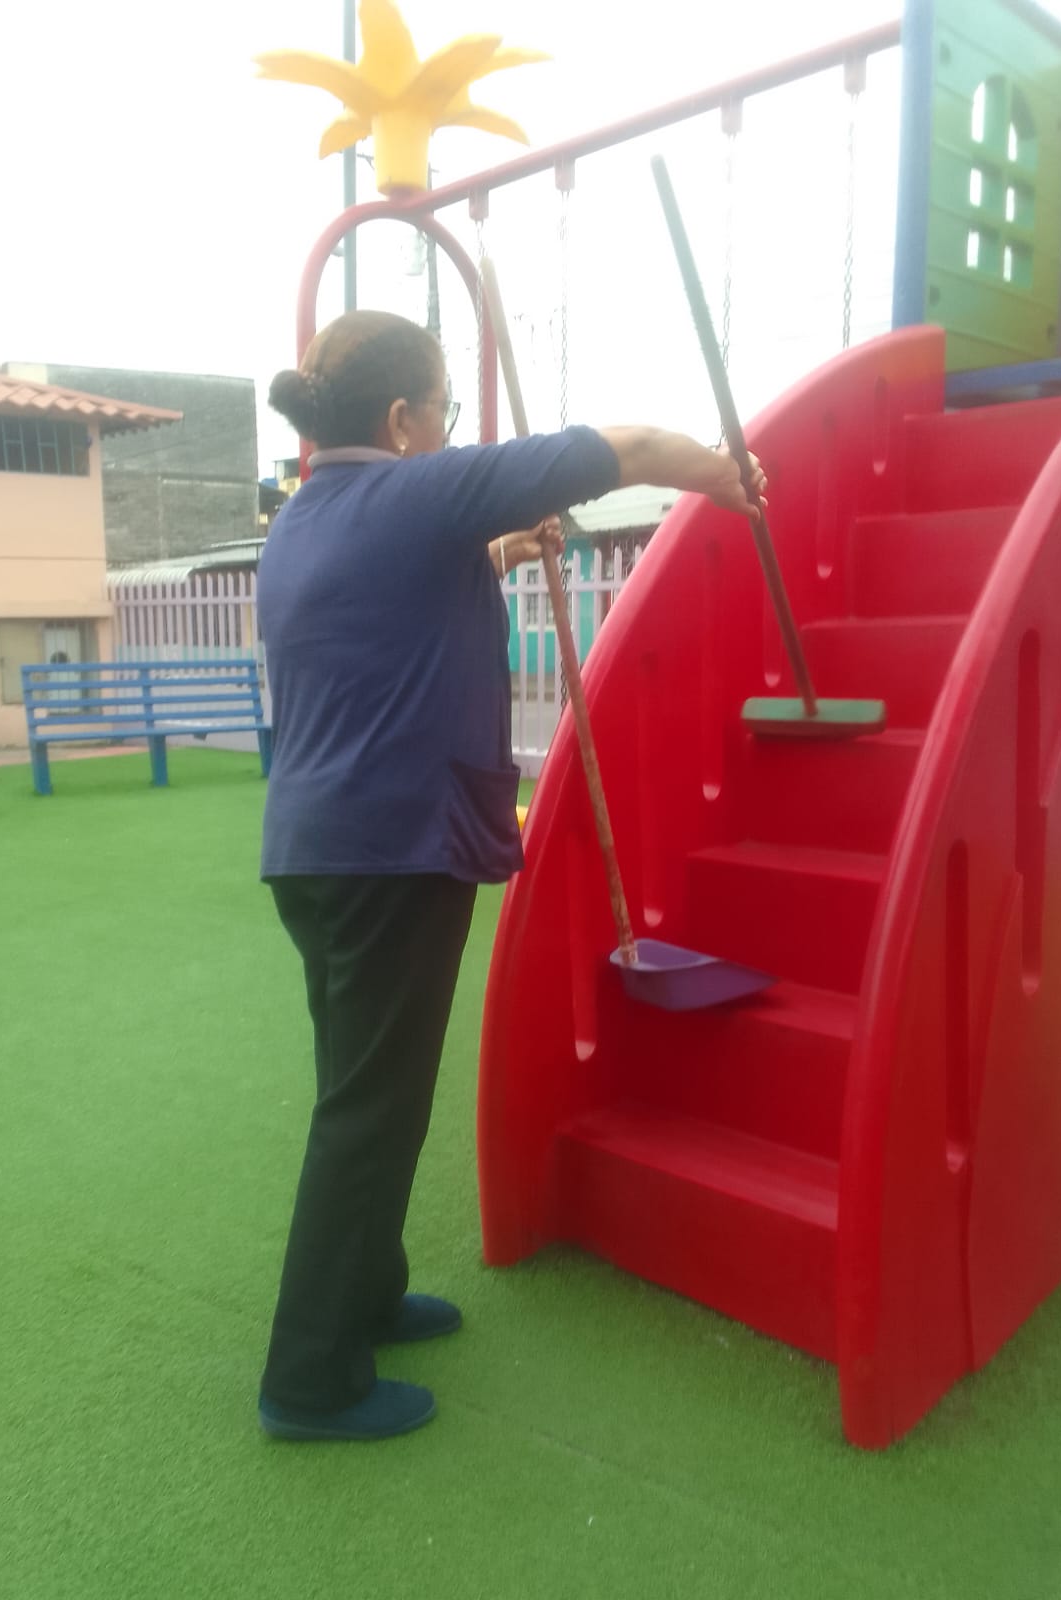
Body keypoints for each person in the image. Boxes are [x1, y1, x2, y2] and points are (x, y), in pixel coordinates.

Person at [256, 309, 764, 1443]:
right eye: (442, 407)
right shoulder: (420, 489)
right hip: (392, 853)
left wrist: (499, 553)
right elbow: (628, 447)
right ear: (403, 418)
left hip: (316, 853)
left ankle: (368, 1294)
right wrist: (723, 476)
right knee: (369, 1109)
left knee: (367, 1091)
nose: (448, 427)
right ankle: (309, 1379)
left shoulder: (305, 518)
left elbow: (391, 592)